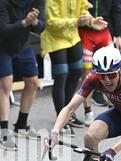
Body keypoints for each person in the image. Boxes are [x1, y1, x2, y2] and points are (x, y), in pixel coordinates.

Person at [41, 0, 107, 137]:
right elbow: (51, 23)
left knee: (77, 70)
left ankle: (67, 113)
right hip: (55, 38)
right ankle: (61, 118)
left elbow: (82, 10)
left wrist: (91, 21)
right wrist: (75, 21)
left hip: (73, 37)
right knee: (62, 74)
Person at [0, 0, 45, 151]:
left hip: (22, 44)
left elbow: (42, 26)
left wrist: (34, 22)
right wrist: (25, 22)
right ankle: (5, 133)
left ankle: (21, 125)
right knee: (6, 85)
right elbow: (2, 29)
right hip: (2, 45)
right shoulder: (2, 3)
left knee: (33, 82)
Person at [79, 0, 121, 125]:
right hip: (85, 33)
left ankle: (113, 109)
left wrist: (118, 35)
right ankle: (88, 111)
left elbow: (116, 10)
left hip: (104, 32)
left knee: (112, 69)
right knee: (87, 73)